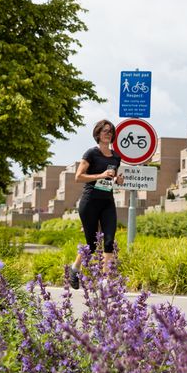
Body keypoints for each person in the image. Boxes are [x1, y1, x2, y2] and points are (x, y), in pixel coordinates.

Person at [65, 119, 124, 287]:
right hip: (89, 202)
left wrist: (118, 180)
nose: (108, 133)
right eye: (105, 131)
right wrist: (100, 175)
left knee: (109, 240)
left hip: (107, 202)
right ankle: (74, 270)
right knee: (91, 244)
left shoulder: (116, 157)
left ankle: (105, 281)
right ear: (98, 134)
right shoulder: (91, 153)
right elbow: (78, 177)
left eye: (110, 131)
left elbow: (112, 178)